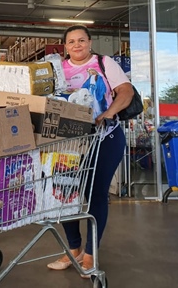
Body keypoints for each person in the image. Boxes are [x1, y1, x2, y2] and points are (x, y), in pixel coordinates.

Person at [47, 24, 134, 277]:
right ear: (65, 46)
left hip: (105, 138)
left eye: (81, 40)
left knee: (94, 193)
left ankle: (90, 252)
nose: (77, 45)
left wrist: (109, 112)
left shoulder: (104, 63)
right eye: (71, 41)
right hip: (69, 144)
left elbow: (125, 92)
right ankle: (73, 249)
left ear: (90, 42)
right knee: (64, 192)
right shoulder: (56, 69)